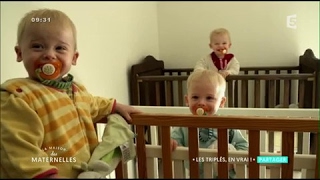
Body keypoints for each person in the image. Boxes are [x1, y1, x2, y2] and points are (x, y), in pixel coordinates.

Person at [0, 8, 140, 179]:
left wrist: (115, 106)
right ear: (20, 53)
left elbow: (93, 103)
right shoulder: (18, 96)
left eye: (60, 48)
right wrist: (44, 175)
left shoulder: (77, 91)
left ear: (74, 58)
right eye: (37, 46)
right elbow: (17, 147)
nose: (49, 55)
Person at [170, 69, 248, 178]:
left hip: (225, 175)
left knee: (222, 146)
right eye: (195, 97)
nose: (201, 103)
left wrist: (232, 158)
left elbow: (244, 147)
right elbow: (174, 141)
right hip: (197, 175)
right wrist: (172, 143)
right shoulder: (184, 126)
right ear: (187, 100)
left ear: (221, 102)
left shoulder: (226, 125)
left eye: (209, 98)